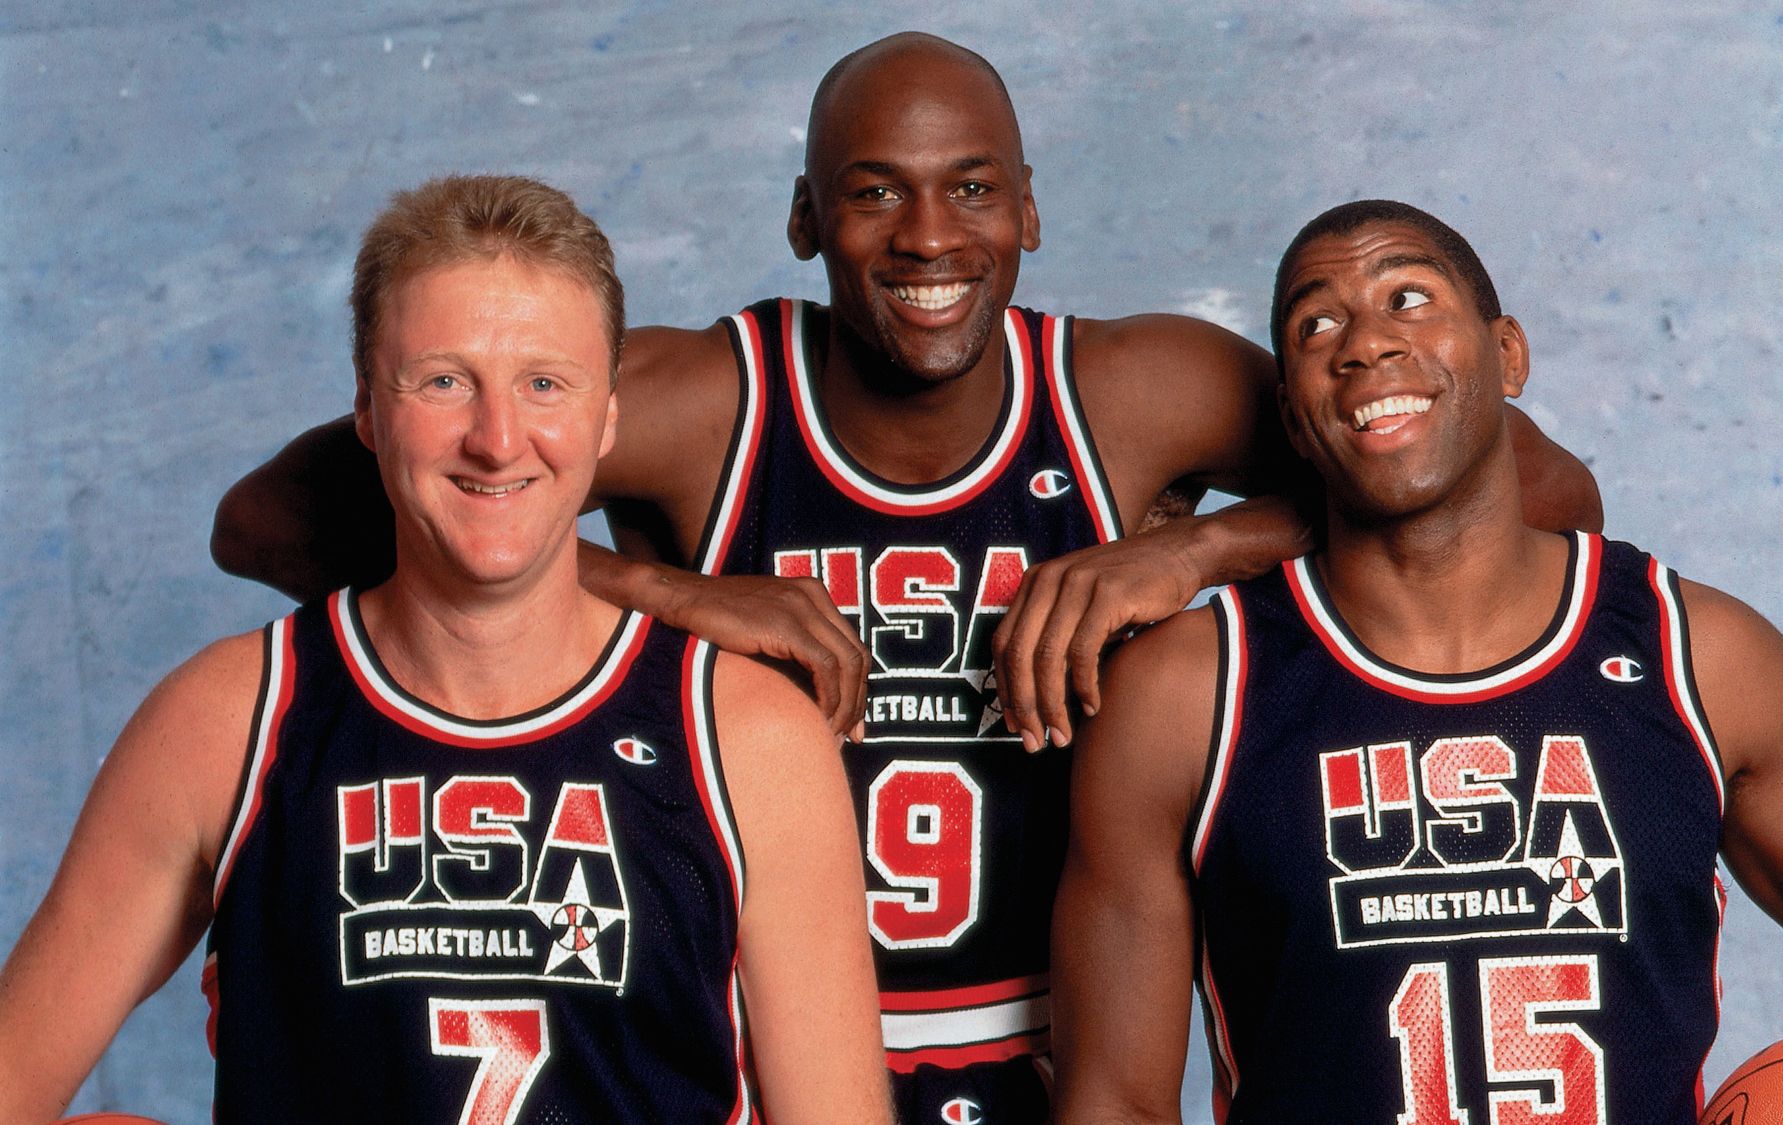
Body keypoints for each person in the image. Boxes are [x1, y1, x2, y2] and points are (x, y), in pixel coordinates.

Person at [208, 36, 1602, 1124]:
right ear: (808, 218)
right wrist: (673, 595)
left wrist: (1197, 545)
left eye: (972, 188)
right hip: (764, 1062)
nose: (931, 237)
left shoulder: (1130, 393)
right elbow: (270, 518)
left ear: (1031, 209)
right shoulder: (709, 399)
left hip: (1060, 1062)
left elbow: (1536, 489)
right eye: (876, 192)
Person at [1050, 200, 1783, 1122]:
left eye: (1410, 297)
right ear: (1295, 421)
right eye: (1317, 324)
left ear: (1509, 356)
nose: (1366, 341)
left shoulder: (1702, 658)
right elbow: (1116, 1099)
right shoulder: (1185, 695)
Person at [0, 175, 890, 1125]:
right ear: (369, 410)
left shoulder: (748, 741)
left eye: (544, 383)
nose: (497, 439)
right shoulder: (228, 720)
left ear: (609, 418)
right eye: (444, 381)